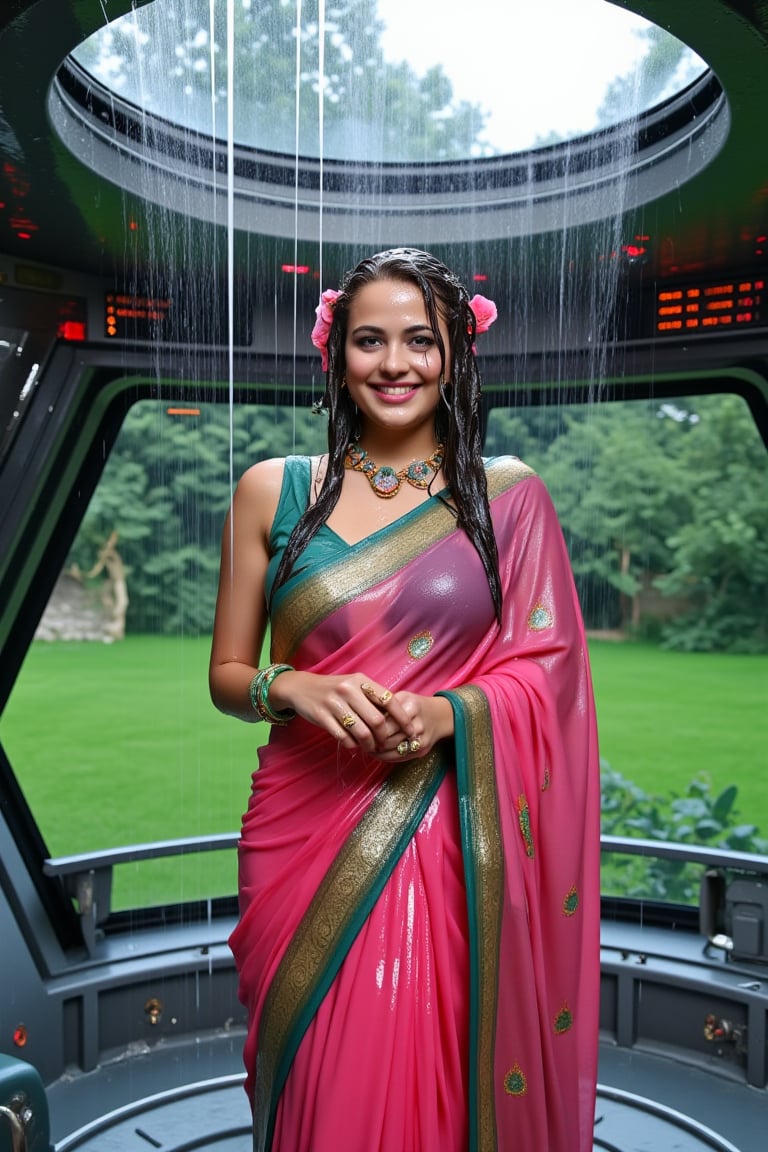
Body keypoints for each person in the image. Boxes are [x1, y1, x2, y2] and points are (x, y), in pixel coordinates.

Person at [209, 248, 600, 1152]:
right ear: (335, 354)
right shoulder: (275, 490)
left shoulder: (509, 498)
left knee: (433, 1067)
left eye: (421, 340)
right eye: (370, 340)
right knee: (316, 1076)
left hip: (451, 835)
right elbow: (229, 678)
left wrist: (447, 716)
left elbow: (548, 672)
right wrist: (293, 686)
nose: (395, 363)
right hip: (302, 829)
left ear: (457, 353)